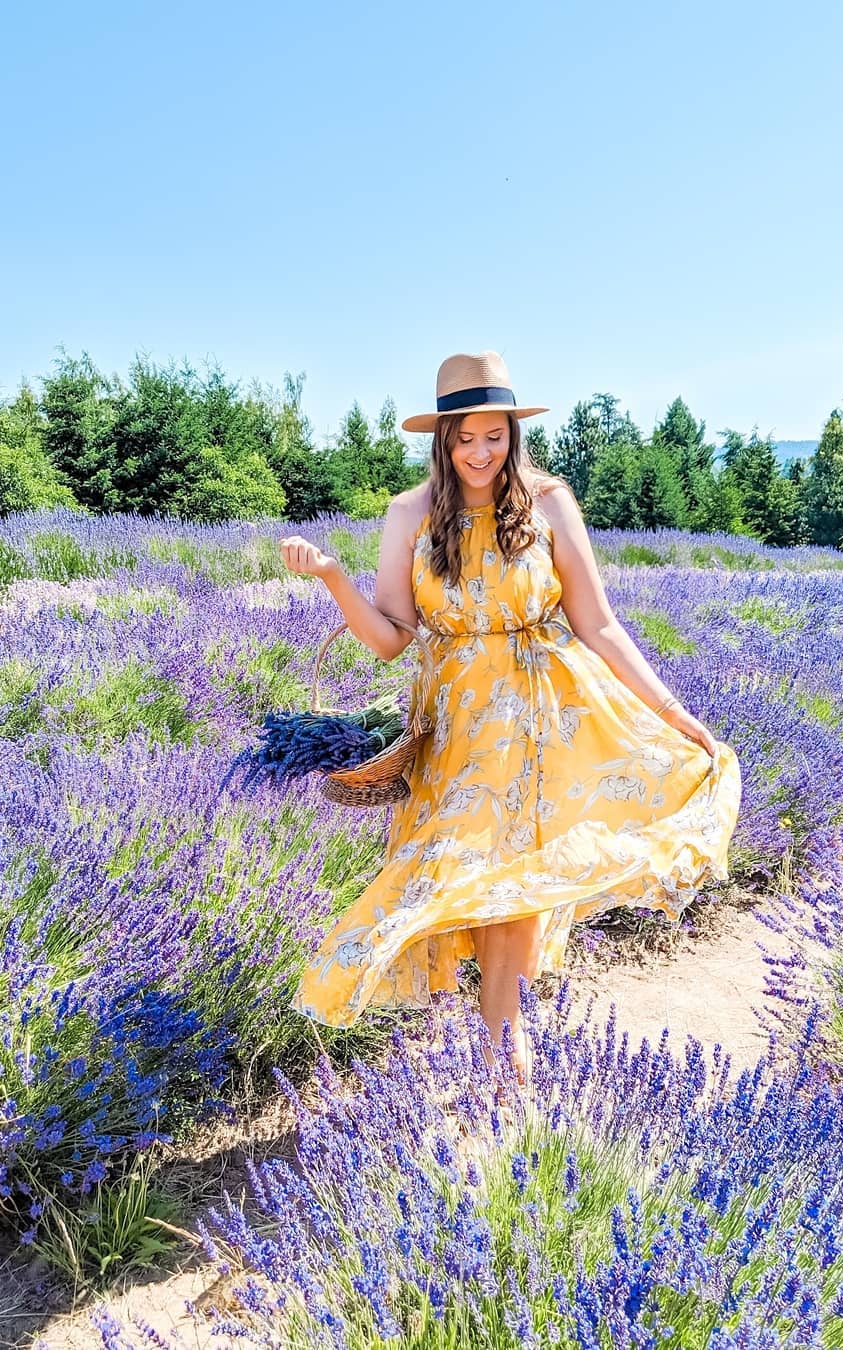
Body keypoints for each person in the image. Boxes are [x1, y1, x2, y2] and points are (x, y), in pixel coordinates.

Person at [279, 351, 742, 1085]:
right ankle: (499, 1050)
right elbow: (390, 639)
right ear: (442, 439)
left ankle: (507, 1059)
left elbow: (600, 624)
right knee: (450, 879)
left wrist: (675, 711)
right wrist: (332, 576)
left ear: (512, 434)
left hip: (542, 723)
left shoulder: (550, 502)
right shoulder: (411, 513)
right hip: (456, 730)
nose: (479, 452)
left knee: (513, 887)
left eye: (493, 436)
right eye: (464, 437)